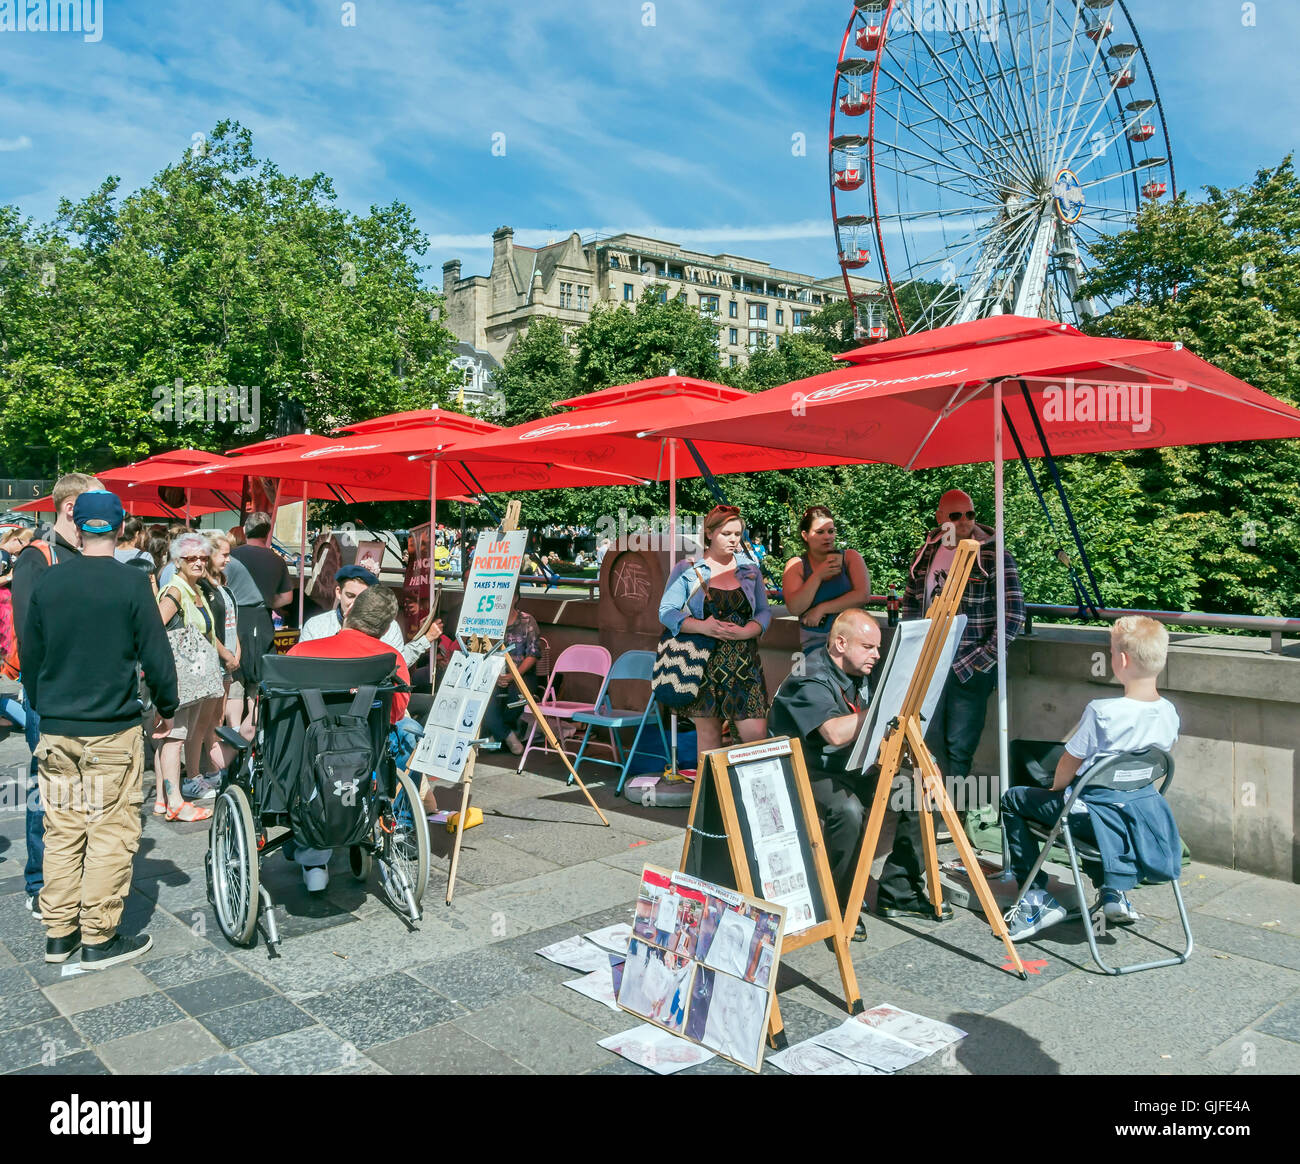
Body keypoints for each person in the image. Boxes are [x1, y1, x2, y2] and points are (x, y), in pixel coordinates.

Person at [22, 489, 178, 969]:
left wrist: (46, 703)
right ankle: (97, 939)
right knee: (110, 832)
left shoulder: (49, 582)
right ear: (118, 527)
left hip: (58, 729)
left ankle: (58, 933)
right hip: (111, 730)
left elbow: (30, 656)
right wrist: (166, 709)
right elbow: (157, 656)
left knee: (64, 830)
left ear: (78, 523)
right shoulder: (132, 584)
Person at [768, 609, 952, 934]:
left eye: (878, 648)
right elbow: (835, 733)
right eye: (868, 647)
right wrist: (886, 708)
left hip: (846, 764)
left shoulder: (860, 668)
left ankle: (900, 891)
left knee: (921, 788)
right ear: (840, 643)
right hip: (800, 769)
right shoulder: (808, 673)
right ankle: (836, 903)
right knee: (848, 810)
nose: (876, 655)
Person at [1002, 616, 1182, 941]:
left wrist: (1057, 789)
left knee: (1014, 799)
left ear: (1122, 659)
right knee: (1101, 804)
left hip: (1092, 818)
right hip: (1139, 818)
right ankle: (1114, 893)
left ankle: (1036, 896)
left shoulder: (1103, 711)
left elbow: (1069, 762)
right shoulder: (1169, 712)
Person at [11, 471, 103, 920]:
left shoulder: (89, 556)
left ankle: (73, 877)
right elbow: (31, 635)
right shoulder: (39, 557)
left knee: (80, 792)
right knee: (47, 789)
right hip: (49, 695)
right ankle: (39, 883)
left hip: (89, 695)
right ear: (71, 507)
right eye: (97, 504)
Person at [901, 489, 1024, 819]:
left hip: (968, 665)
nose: (965, 522)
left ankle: (949, 818)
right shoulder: (927, 552)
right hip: (929, 662)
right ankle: (928, 815)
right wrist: (912, 651)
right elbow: (912, 602)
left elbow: (1013, 616)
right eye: (956, 516)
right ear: (942, 518)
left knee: (959, 746)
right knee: (928, 742)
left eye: (969, 514)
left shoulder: (994, 555)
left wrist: (979, 661)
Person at [287, 585, 411, 891]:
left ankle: (314, 861)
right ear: (384, 628)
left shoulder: (300, 654)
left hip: (305, 767)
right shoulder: (390, 659)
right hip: (361, 763)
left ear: (349, 613)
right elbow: (394, 716)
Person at [658, 504, 771, 753]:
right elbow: (666, 612)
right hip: (704, 664)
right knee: (709, 742)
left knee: (757, 737)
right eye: (726, 533)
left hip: (745, 664)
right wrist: (702, 627)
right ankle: (708, 792)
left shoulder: (749, 568)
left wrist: (750, 630)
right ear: (709, 533)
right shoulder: (687, 568)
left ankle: (753, 792)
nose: (733, 540)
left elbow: (764, 610)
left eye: (737, 534)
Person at [153, 532, 220, 821]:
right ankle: (175, 801)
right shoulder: (175, 590)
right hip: (179, 677)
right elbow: (155, 627)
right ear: (178, 561)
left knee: (173, 737)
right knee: (174, 739)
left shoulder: (197, 588)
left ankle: (161, 799)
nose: (198, 562)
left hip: (191, 678)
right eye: (191, 558)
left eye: (203, 558)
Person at [299, 563, 442, 668]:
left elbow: (398, 664)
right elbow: (302, 666)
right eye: (350, 596)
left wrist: (426, 640)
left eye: (362, 598)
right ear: (338, 592)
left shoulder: (389, 626)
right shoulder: (316, 625)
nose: (355, 604)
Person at [781, 505, 871, 652]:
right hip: (815, 645)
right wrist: (818, 576)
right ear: (805, 535)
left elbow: (862, 595)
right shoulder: (797, 565)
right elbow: (795, 608)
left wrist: (822, 609)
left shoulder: (850, 557)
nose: (827, 537)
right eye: (820, 532)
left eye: (831, 531)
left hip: (853, 641)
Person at [194, 534, 242, 783]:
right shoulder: (203, 587)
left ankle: (214, 766)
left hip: (229, 662)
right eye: (224, 554)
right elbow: (209, 629)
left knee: (219, 715)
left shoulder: (222, 584)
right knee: (210, 718)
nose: (228, 559)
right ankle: (211, 769)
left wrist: (237, 652)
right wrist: (226, 654)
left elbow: (233, 624)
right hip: (215, 661)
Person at [230, 511, 291, 686]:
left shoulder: (231, 557)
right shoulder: (277, 560)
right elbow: (287, 598)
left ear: (244, 530)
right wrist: (269, 602)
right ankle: (254, 714)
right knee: (258, 682)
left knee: (234, 679)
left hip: (234, 619)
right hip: (263, 620)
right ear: (268, 533)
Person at [478, 593, 540, 755]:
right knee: (482, 698)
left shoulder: (527, 621)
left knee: (517, 698)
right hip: (494, 674)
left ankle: (497, 735)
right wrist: (496, 676)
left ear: (516, 597)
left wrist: (513, 676)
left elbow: (533, 654)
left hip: (522, 674)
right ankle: (508, 736)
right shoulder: (490, 622)